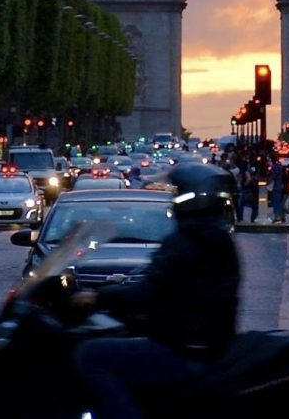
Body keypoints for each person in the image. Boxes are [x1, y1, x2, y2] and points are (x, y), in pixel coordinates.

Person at [72, 163, 241, 419]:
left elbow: (149, 292)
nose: (173, 198)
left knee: (90, 355)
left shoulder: (187, 241)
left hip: (184, 350)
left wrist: (98, 296)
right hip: (203, 345)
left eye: (177, 192)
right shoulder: (215, 238)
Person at [267, 154, 288, 223]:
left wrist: (267, 182)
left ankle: (277, 217)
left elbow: (273, 177)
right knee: (279, 202)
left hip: (276, 187)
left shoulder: (274, 167)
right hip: (281, 186)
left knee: (276, 203)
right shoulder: (280, 166)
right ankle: (281, 217)